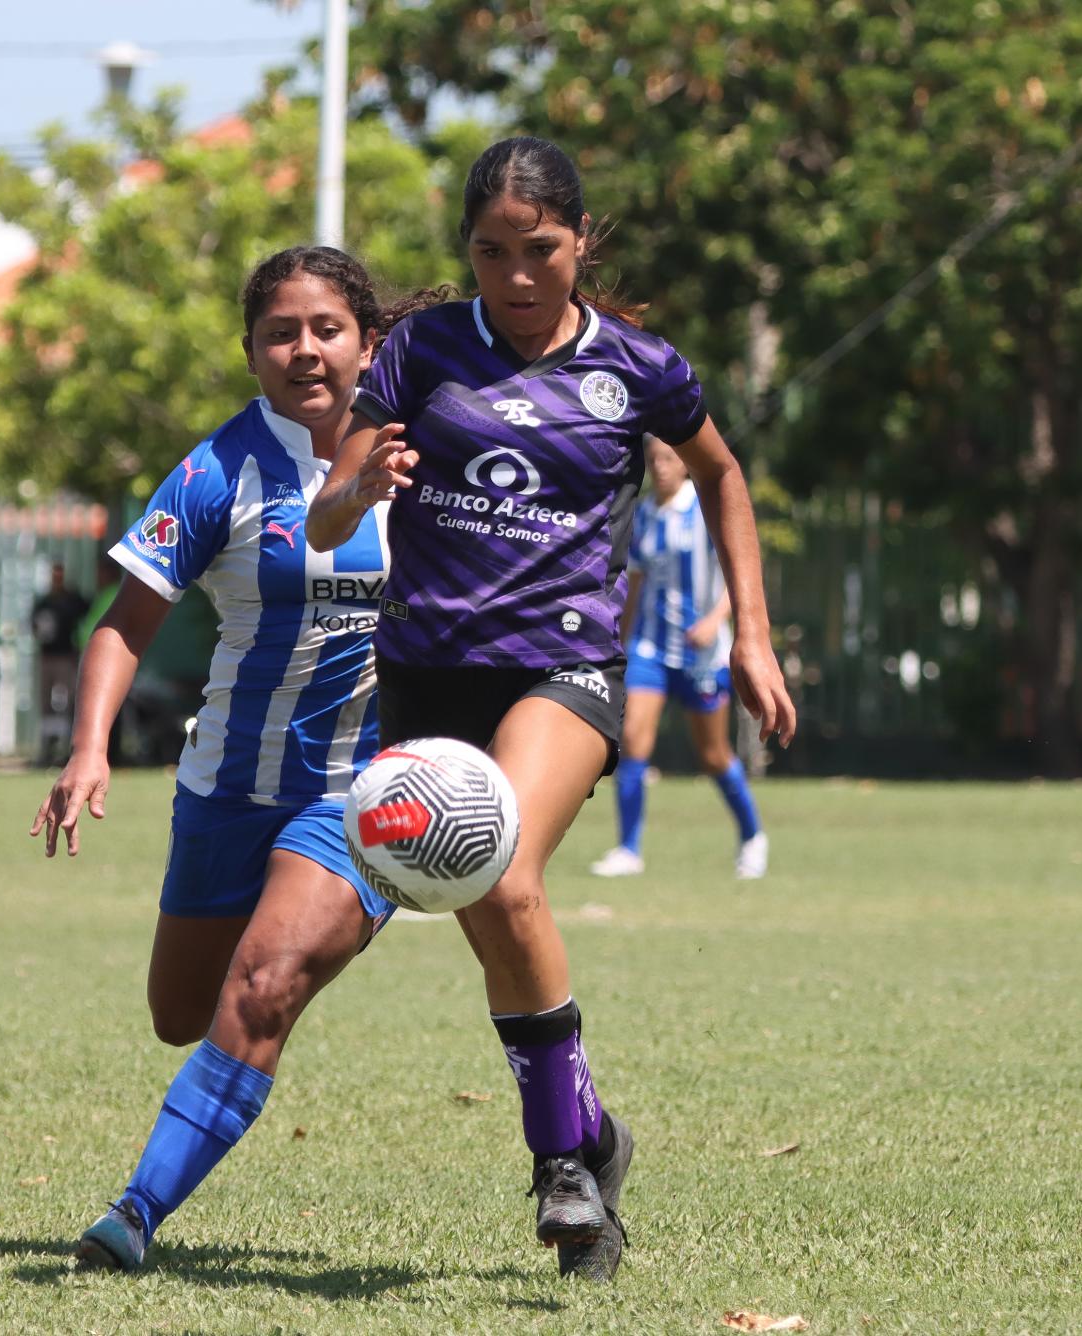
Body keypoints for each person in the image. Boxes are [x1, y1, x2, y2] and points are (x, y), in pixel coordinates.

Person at [306, 136, 796, 1283]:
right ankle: (595, 1140)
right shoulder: (418, 350)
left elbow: (720, 472)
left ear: (580, 243)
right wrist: (361, 484)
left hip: (562, 663)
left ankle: (559, 1172)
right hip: (425, 672)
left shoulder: (636, 367)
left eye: (539, 251)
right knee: (483, 913)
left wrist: (752, 632)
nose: (515, 276)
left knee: (502, 870)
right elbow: (329, 515)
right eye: (489, 252)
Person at [29, 245, 408, 1275]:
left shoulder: (419, 464)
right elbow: (124, 621)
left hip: (358, 797)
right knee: (179, 1015)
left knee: (264, 981)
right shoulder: (215, 470)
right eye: (279, 331)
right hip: (224, 790)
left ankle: (133, 1213)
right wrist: (86, 746)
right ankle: (225, 1060)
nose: (303, 349)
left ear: (367, 342)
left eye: (325, 328)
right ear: (250, 350)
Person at [590, 436, 767, 879]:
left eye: (669, 459)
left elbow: (738, 574)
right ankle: (628, 849)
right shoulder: (645, 513)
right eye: (654, 460)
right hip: (650, 647)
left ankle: (752, 836)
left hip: (702, 654)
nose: (662, 467)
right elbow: (635, 584)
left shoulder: (703, 509)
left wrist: (714, 621)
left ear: (686, 465)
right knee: (633, 741)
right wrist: (621, 642)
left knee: (713, 755)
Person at [30, 562, 90, 765]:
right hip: (48, 657)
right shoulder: (44, 602)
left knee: (67, 702)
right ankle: (47, 748)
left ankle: (66, 747)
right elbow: (34, 627)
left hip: (66, 658)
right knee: (46, 704)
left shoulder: (72, 600)